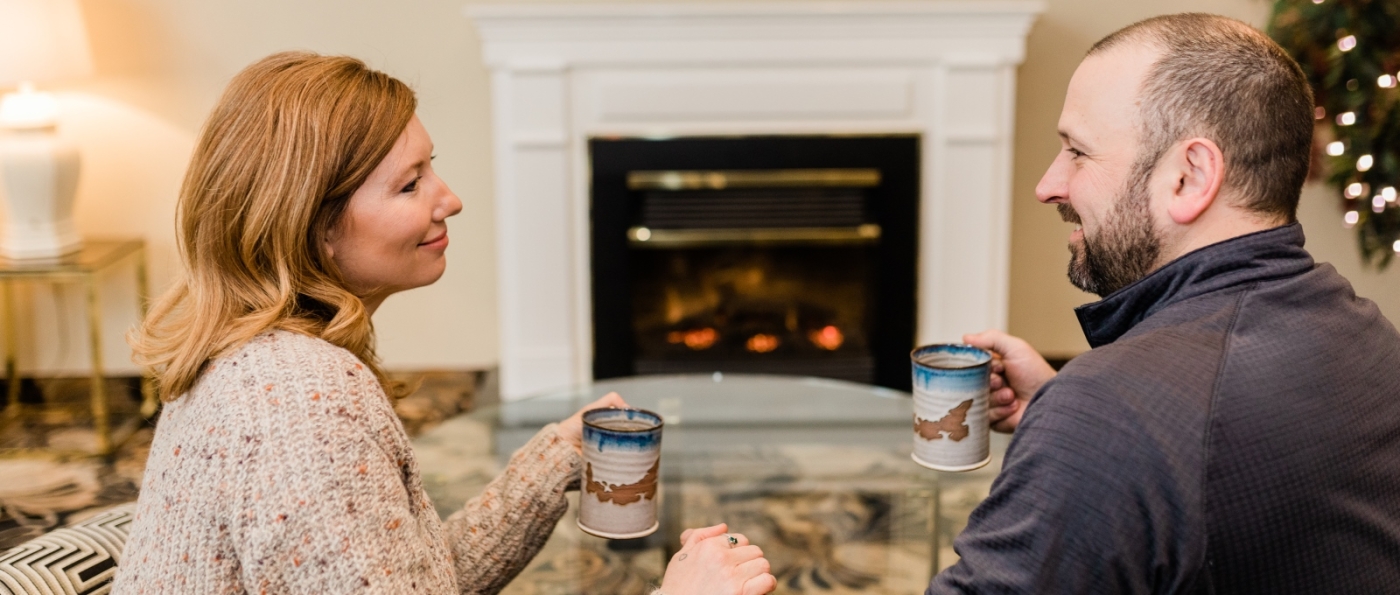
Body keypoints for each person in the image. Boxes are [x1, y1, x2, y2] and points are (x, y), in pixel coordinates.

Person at [113, 52, 777, 595]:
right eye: (410, 184)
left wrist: (554, 461)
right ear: (314, 228)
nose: (449, 199)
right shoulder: (296, 400)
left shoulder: (271, 359)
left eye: (431, 168)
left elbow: (408, 577)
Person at [929, 13, 1400, 594]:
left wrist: (1084, 425)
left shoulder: (1111, 413)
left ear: (1189, 176)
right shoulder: (1373, 340)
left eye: (1077, 152)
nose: (1049, 185)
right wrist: (1065, 413)